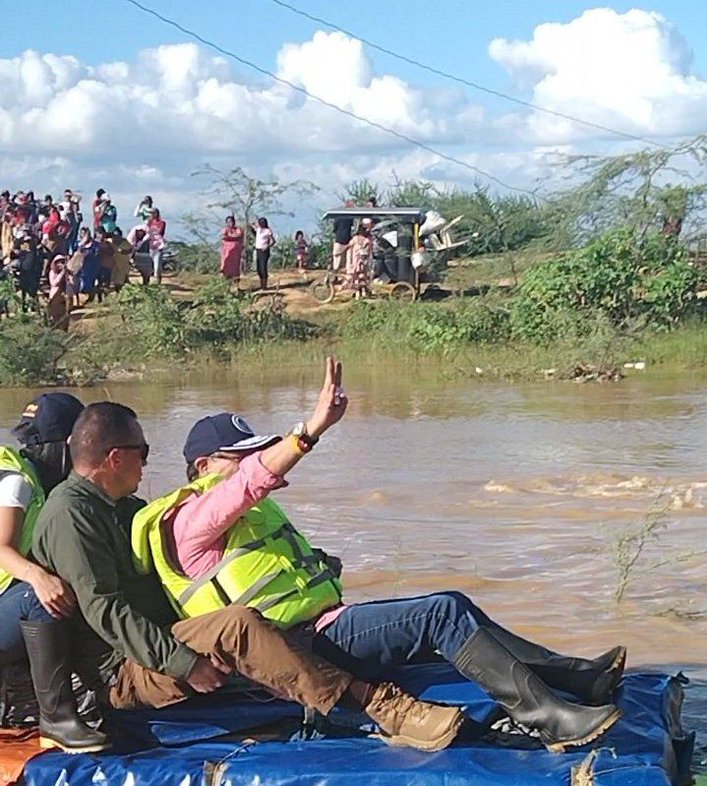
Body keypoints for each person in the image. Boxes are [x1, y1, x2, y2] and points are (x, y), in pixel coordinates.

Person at [133, 360, 623, 753]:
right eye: (240, 456)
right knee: (441, 614)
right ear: (202, 467)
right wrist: (309, 430)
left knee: (453, 602)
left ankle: (575, 678)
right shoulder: (188, 519)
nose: (253, 463)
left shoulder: (235, 518)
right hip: (293, 650)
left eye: (254, 451)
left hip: (322, 628)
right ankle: (550, 720)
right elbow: (249, 483)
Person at [31, 401, 464, 754]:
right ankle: (384, 708)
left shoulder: (123, 509)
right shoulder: (72, 514)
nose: (146, 463)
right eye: (143, 452)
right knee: (238, 624)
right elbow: (105, 609)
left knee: (252, 616)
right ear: (115, 457)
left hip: (165, 640)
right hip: (124, 670)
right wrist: (185, 662)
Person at [0, 392, 108, 752]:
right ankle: (58, 721)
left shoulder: (45, 483)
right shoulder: (18, 480)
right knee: (42, 595)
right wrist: (38, 576)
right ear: (67, 445)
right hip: (13, 599)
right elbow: (1, 547)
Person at [347, 221, 373, 297]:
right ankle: (360, 291)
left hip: (361, 261)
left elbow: (349, 247)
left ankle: (361, 291)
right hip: (360, 261)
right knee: (360, 276)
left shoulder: (360, 239)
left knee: (360, 276)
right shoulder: (365, 239)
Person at [252, 217, 275, 290]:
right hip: (258, 250)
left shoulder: (268, 231)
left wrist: (267, 246)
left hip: (264, 251)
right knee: (259, 268)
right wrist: (255, 221)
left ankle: (264, 286)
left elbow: (273, 241)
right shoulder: (258, 230)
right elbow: (251, 224)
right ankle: (261, 284)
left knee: (263, 268)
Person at [220, 216, 244, 284]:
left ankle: (236, 286)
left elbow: (239, 235)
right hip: (227, 253)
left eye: (231, 221)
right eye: (228, 222)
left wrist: (229, 237)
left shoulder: (238, 229)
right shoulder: (225, 229)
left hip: (236, 253)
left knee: (235, 268)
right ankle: (226, 286)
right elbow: (223, 236)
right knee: (226, 267)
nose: (230, 223)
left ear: (234, 222)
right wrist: (233, 237)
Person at [147, 207, 166, 283]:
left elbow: (160, 232)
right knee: (150, 266)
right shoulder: (150, 222)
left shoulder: (162, 223)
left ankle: (158, 282)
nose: (152, 214)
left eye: (153, 213)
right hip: (151, 245)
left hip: (158, 245)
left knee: (157, 266)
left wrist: (152, 232)